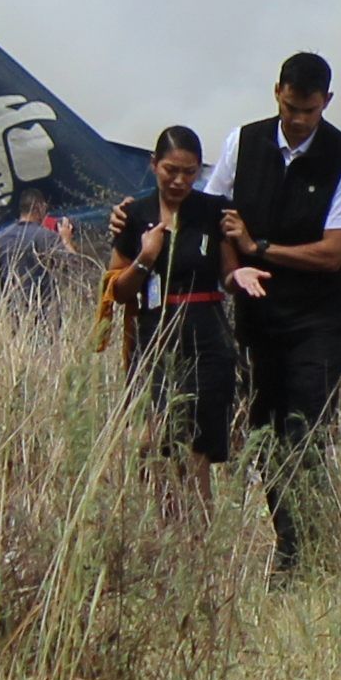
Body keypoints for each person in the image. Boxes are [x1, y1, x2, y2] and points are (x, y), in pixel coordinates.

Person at [210, 51, 341, 573]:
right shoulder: (244, 142)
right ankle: (288, 541)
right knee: (264, 433)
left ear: (327, 102)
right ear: (276, 91)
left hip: (317, 322)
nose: (298, 120)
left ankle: (303, 552)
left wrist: (260, 250)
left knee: (305, 432)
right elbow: (218, 217)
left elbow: (332, 253)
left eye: (309, 110)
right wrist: (235, 271)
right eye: (290, 106)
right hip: (258, 319)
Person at [107, 127, 269, 494]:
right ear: (153, 165)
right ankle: (158, 521)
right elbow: (115, 289)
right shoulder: (135, 215)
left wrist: (238, 274)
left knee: (196, 445)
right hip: (153, 334)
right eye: (170, 170)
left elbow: (227, 273)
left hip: (206, 336)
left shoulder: (215, 210)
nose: (180, 180)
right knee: (150, 438)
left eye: (190, 172)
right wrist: (146, 258)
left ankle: (196, 533)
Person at [0, 186, 72, 315]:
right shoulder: (46, 236)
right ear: (38, 207)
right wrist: (66, 240)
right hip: (44, 307)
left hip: (14, 308)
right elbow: (75, 266)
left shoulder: (3, 237)